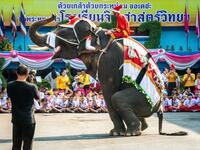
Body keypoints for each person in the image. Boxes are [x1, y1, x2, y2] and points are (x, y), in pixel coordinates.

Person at [7, 65, 40, 150]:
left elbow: (10, 95)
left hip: (16, 118)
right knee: (28, 144)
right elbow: (38, 97)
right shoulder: (32, 86)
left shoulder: (10, 85)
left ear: (17, 73)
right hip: (29, 118)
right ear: (27, 74)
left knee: (16, 143)